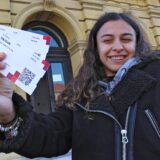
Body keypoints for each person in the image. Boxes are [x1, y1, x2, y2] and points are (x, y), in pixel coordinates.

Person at [0, 12, 160, 160]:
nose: (117, 46)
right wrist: (9, 115)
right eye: (107, 40)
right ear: (96, 49)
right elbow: (51, 135)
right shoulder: (80, 93)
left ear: (137, 44)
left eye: (126, 39)